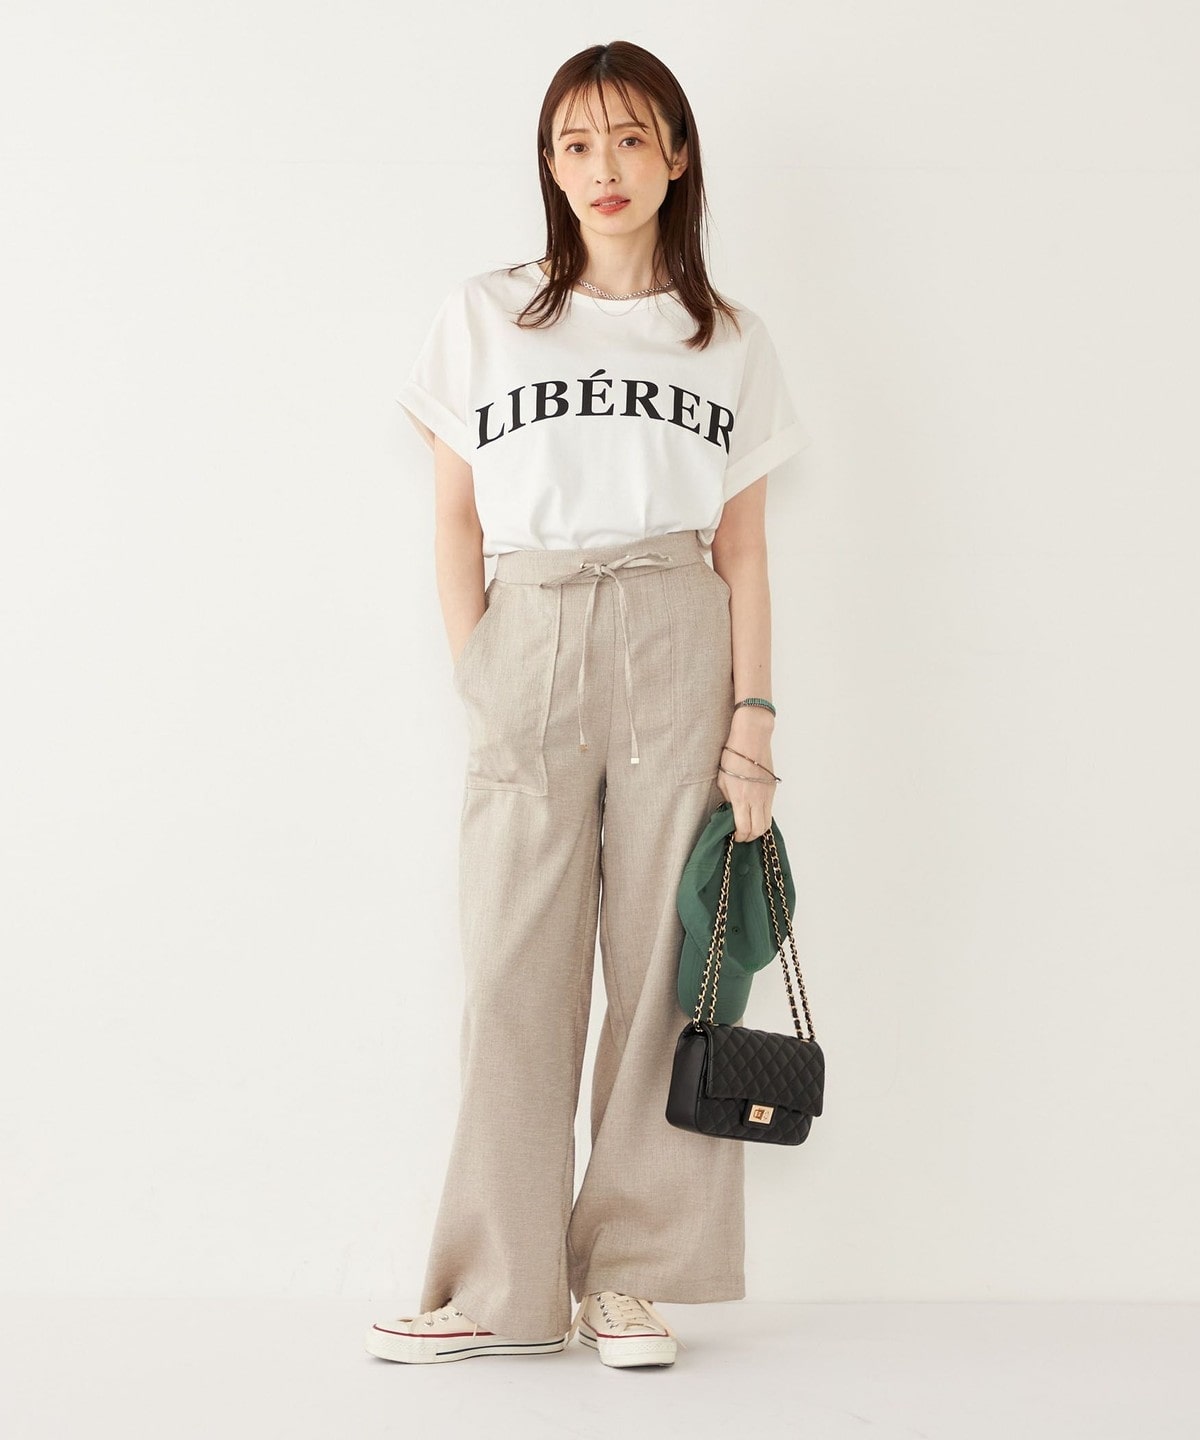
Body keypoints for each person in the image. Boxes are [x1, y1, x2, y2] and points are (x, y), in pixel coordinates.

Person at [365, 39, 812, 1369]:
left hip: (679, 628)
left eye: (627, 138)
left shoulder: (728, 338)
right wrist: (481, 668)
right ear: (549, 168)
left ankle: (630, 1275)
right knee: (512, 969)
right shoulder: (487, 313)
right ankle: (500, 1290)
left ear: (675, 155)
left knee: (666, 970)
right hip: (534, 623)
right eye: (573, 144)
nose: (600, 168)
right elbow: (454, 518)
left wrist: (754, 721)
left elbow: (745, 550)